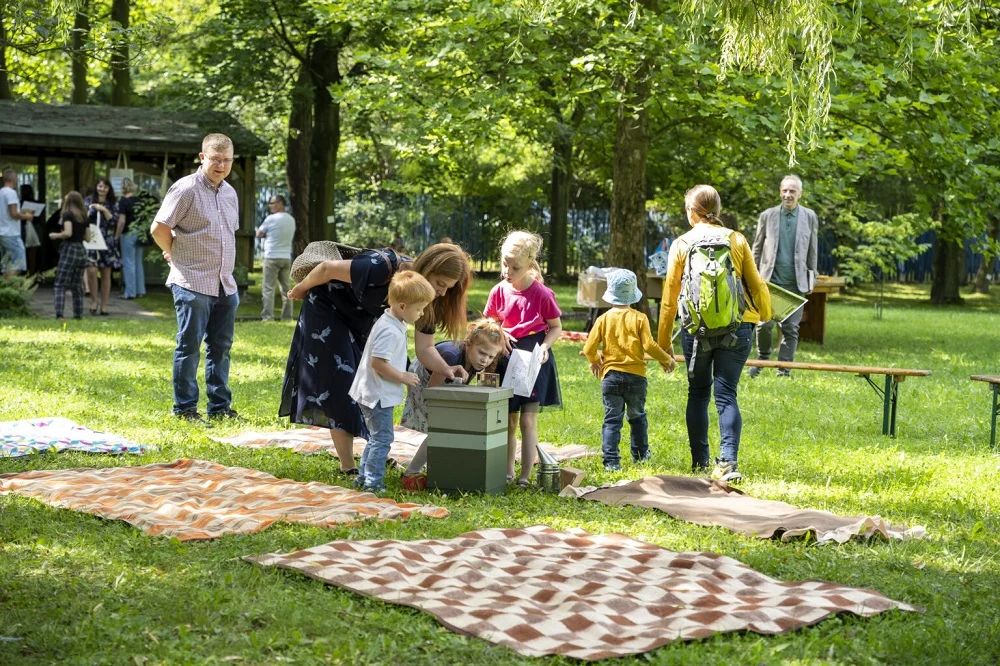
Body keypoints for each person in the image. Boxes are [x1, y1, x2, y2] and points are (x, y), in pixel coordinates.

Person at [282, 242, 474, 474]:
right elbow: (326, 269)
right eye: (441, 284)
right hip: (328, 309)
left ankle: (375, 451)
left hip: (366, 318)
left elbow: (425, 349)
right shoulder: (380, 267)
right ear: (426, 268)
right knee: (342, 381)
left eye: (449, 288)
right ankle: (348, 466)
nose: (443, 292)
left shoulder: (425, 298)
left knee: (377, 386)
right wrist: (300, 290)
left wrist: (447, 369)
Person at [657, 185, 772, 482]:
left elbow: (669, 298)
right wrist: (765, 315)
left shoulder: (681, 243)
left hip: (696, 331)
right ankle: (728, 462)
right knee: (726, 395)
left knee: (697, 394)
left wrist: (662, 343)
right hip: (739, 326)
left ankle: (699, 463)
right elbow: (756, 284)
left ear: (691, 212)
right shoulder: (736, 239)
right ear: (718, 211)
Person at [150, 133, 241, 421]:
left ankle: (220, 408)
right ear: (202, 157)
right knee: (189, 349)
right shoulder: (185, 189)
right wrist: (172, 252)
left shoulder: (230, 193)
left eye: (227, 160)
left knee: (221, 349)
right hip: (192, 282)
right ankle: (185, 408)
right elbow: (159, 227)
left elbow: (227, 235)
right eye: (216, 159)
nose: (221, 165)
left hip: (225, 283)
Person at [484, 230, 562, 488]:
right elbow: (490, 321)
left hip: (533, 359)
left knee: (528, 419)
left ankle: (525, 476)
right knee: (508, 419)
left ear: (530, 265)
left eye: (515, 267)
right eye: (505, 263)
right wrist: (499, 331)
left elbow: (555, 326)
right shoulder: (498, 290)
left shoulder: (542, 293)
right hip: (507, 355)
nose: (507, 271)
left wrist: (545, 347)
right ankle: (507, 471)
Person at [348, 271, 436, 493]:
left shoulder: (392, 321)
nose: (422, 313)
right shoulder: (389, 329)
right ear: (403, 306)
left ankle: (363, 478)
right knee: (383, 439)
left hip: (374, 391)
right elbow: (378, 363)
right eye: (419, 308)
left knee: (377, 438)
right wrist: (404, 377)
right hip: (376, 393)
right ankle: (373, 483)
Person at [583, 269, 675, 471]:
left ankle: (611, 462)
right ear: (633, 294)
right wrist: (666, 359)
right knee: (637, 417)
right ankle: (640, 456)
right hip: (636, 378)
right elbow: (650, 346)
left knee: (612, 420)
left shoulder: (603, 319)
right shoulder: (640, 318)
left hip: (611, 378)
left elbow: (589, 348)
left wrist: (595, 360)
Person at [400, 318, 508, 477]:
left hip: (445, 386)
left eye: (491, 356)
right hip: (423, 383)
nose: (485, 360)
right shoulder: (451, 356)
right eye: (482, 353)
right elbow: (433, 391)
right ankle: (412, 471)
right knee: (441, 430)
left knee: (453, 427)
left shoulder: (477, 360)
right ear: (469, 344)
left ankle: (445, 463)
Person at [748, 174, 818, 377]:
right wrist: (752, 276)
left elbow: (813, 249)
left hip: (796, 283)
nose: (788, 195)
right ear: (780, 191)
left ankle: (785, 369)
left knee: (790, 327)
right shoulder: (767, 216)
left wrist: (812, 277)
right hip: (769, 282)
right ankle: (761, 360)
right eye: (785, 190)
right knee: (764, 325)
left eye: (792, 191)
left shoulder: (809, 216)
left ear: (800, 194)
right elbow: (757, 248)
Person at [49, 191, 90, 321]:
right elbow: (88, 237)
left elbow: (68, 233)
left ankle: (60, 314)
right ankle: (78, 315)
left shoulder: (68, 214)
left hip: (69, 249)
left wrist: (55, 235)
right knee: (76, 286)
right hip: (81, 250)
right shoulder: (84, 216)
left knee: (60, 284)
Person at [255, 194, 295, 321]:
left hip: (271, 257)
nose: (270, 206)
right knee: (286, 289)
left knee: (268, 288)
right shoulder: (291, 219)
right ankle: (287, 317)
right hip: (286, 258)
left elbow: (259, 234)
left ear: (280, 204)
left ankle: (267, 317)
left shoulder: (270, 219)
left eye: (272, 203)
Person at [83, 178, 120, 315]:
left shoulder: (113, 203)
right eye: (100, 186)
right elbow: (82, 218)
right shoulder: (88, 201)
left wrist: (104, 209)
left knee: (106, 274)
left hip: (107, 242)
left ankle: (104, 306)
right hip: (92, 240)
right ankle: (94, 301)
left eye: (105, 187)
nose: (102, 189)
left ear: (108, 189)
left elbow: (114, 221)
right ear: (96, 187)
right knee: (91, 271)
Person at [116, 178, 147, 300]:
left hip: (128, 234)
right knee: (138, 263)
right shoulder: (140, 201)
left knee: (128, 263)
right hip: (140, 233)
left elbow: (121, 221)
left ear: (123, 188)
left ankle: (130, 292)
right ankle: (140, 291)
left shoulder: (123, 201)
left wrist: (117, 235)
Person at [0, 168, 34, 278]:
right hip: (11, 234)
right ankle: (5, 289)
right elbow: (13, 214)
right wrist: (27, 216)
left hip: (2, 232)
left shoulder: (1, 192)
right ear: (13, 179)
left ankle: (5, 292)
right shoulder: (11, 193)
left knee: (6, 265)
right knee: (18, 264)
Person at [18, 184, 42, 274]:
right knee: (33, 252)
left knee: (22, 251)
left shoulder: (19, 203)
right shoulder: (37, 203)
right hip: (35, 228)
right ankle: (32, 272)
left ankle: (22, 272)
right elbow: (38, 217)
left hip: (22, 228)